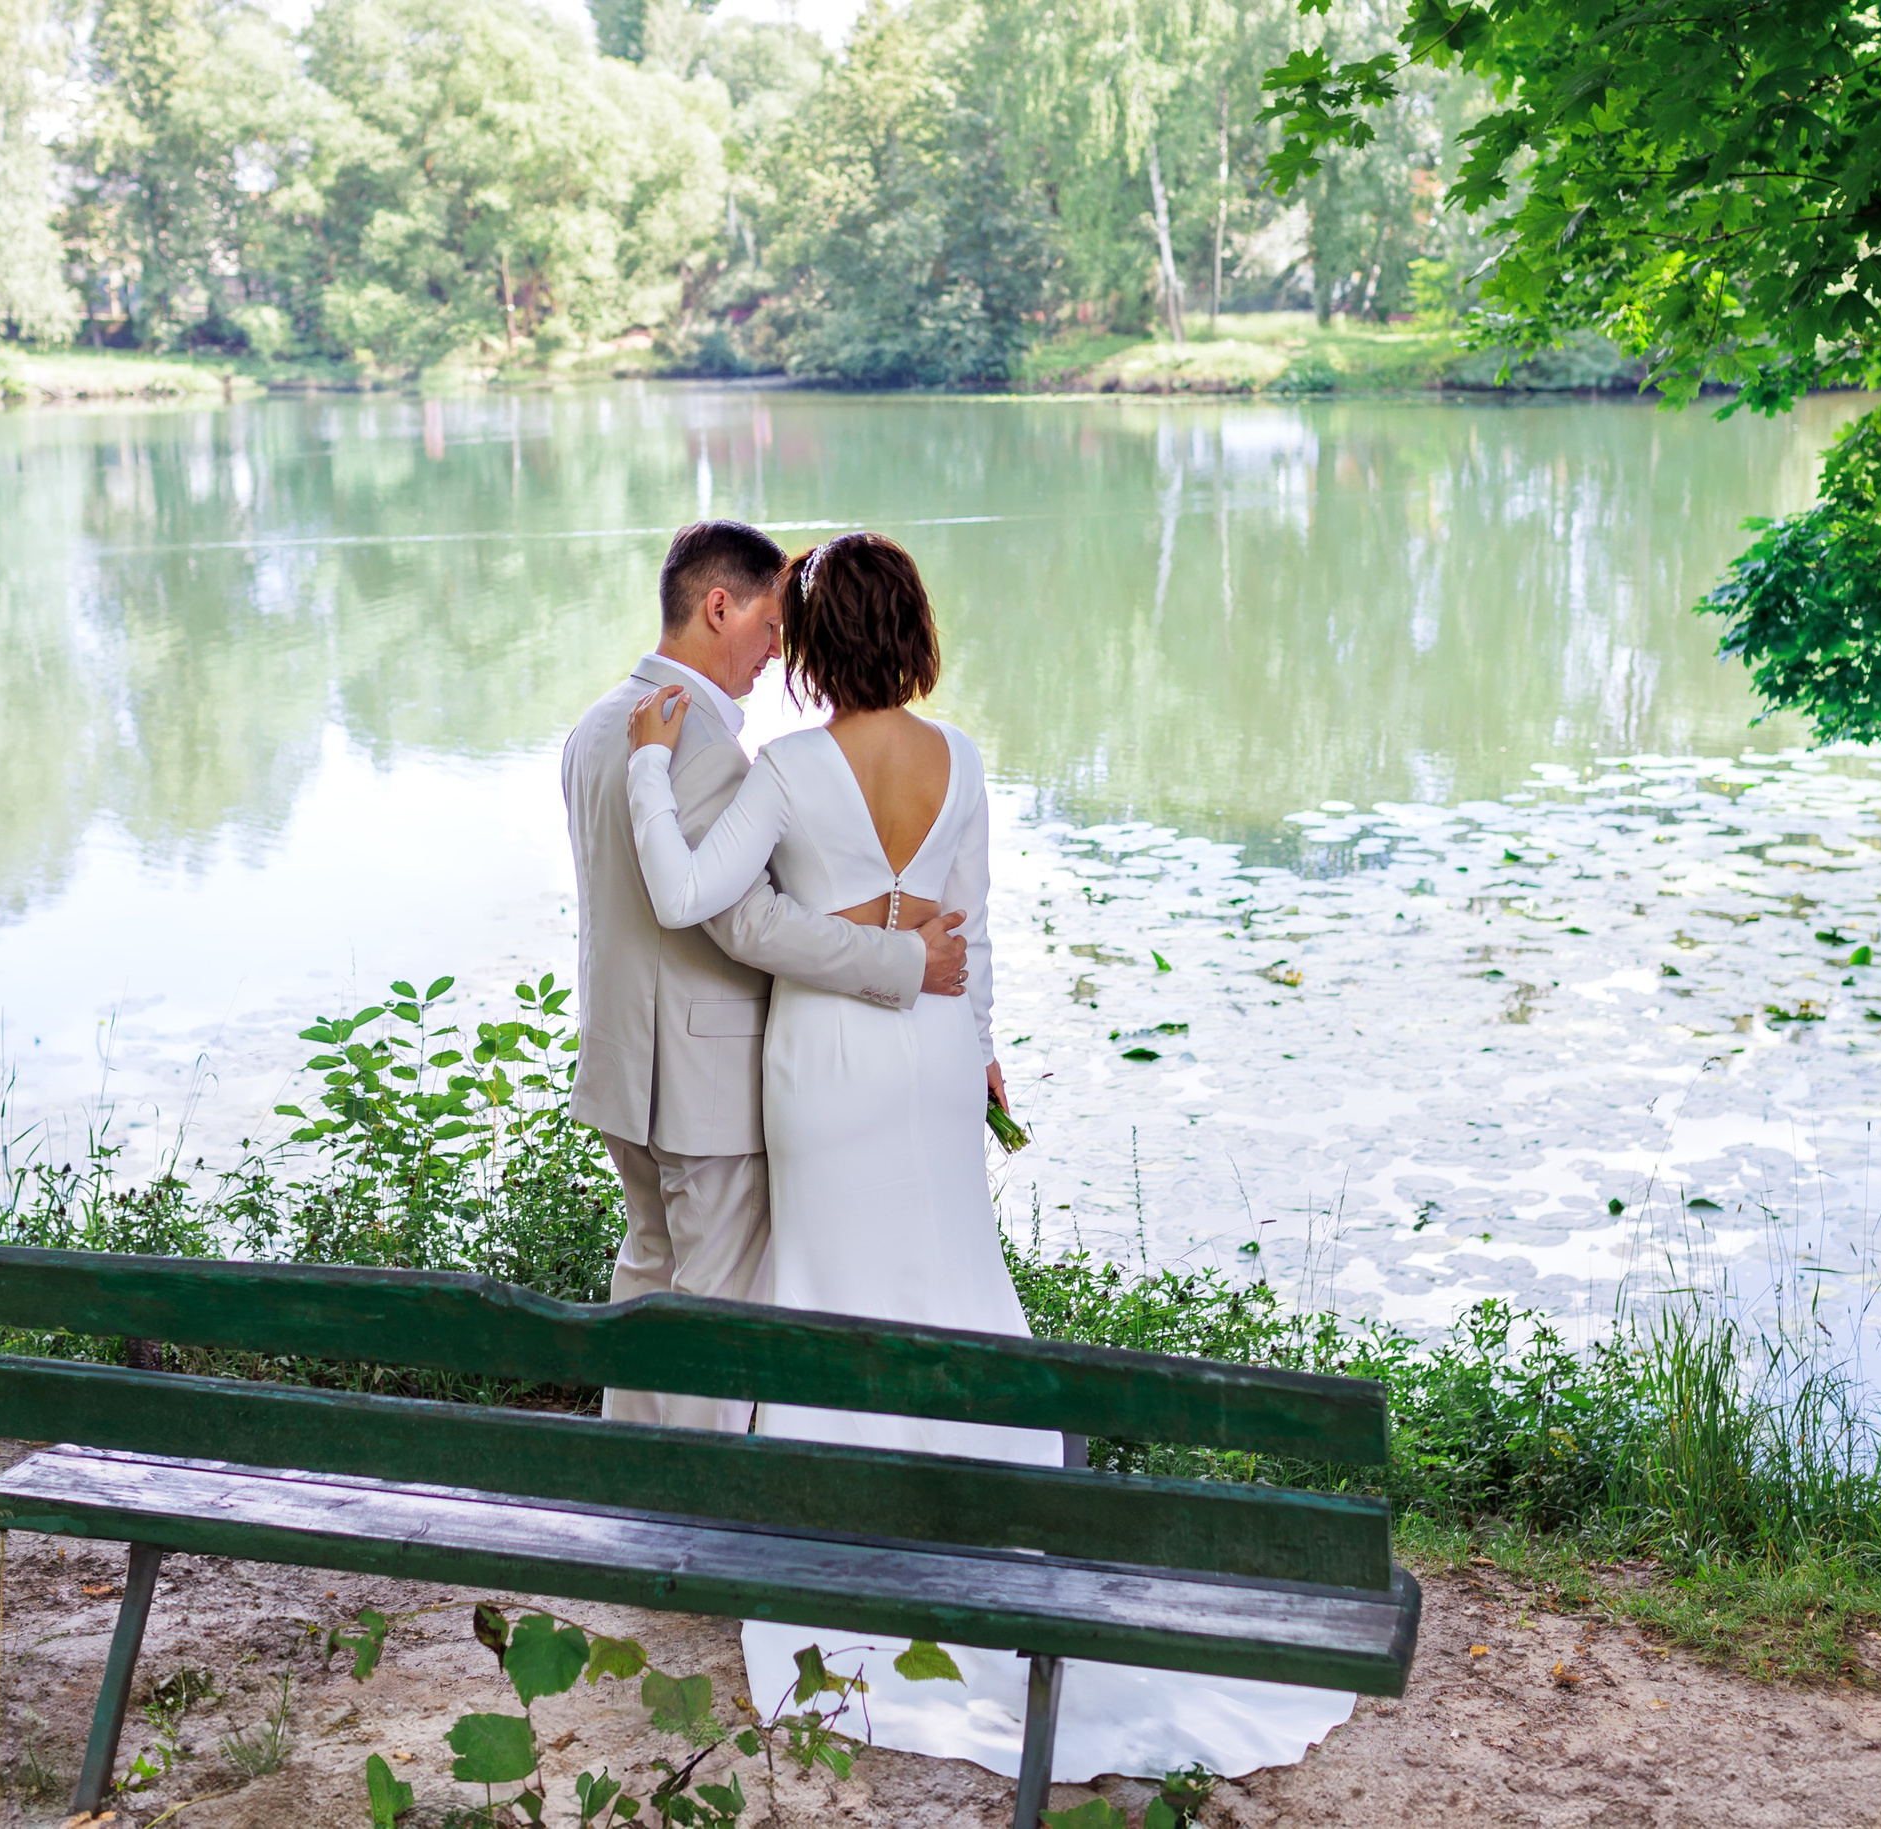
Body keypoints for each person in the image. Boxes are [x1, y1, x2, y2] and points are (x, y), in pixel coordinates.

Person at [622, 530, 1357, 1785]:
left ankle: (844, 1548)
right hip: (925, 1055)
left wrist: (649, 768)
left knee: (836, 1289)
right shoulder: (960, 757)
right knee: (953, 1282)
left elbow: (690, 894)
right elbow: (974, 923)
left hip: (828, 1067)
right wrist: (978, 1048)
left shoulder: (789, 766)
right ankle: (994, 1531)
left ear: (808, 645)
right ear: (912, 632)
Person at [560, 520, 970, 1432]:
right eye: (772, 623)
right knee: (716, 1310)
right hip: (701, 1083)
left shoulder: (597, 726)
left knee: (647, 1286)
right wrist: (901, 953)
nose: (780, 649)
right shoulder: (700, 744)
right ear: (719, 606)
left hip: (628, 1068)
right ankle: (698, 1524)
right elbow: (742, 919)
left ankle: (625, 1487)